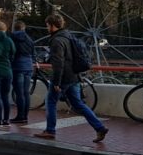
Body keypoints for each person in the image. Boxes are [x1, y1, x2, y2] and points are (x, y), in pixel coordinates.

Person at [35, 14, 109, 142]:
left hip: (63, 77)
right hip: (74, 76)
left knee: (50, 102)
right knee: (78, 104)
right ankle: (99, 127)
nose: (47, 28)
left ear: (52, 26)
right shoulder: (68, 36)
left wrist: (57, 82)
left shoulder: (57, 40)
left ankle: (50, 130)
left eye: (47, 25)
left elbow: (58, 63)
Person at [10, 20, 35, 124]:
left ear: (15, 28)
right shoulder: (29, 39)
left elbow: (10, 52)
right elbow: (33, 53)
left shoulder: (12, 37)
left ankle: (20, 116)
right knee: (26, 92)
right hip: (28, 67)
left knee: (19, 93)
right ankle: (25, 116)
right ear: (23, 28)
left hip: (17, 67)